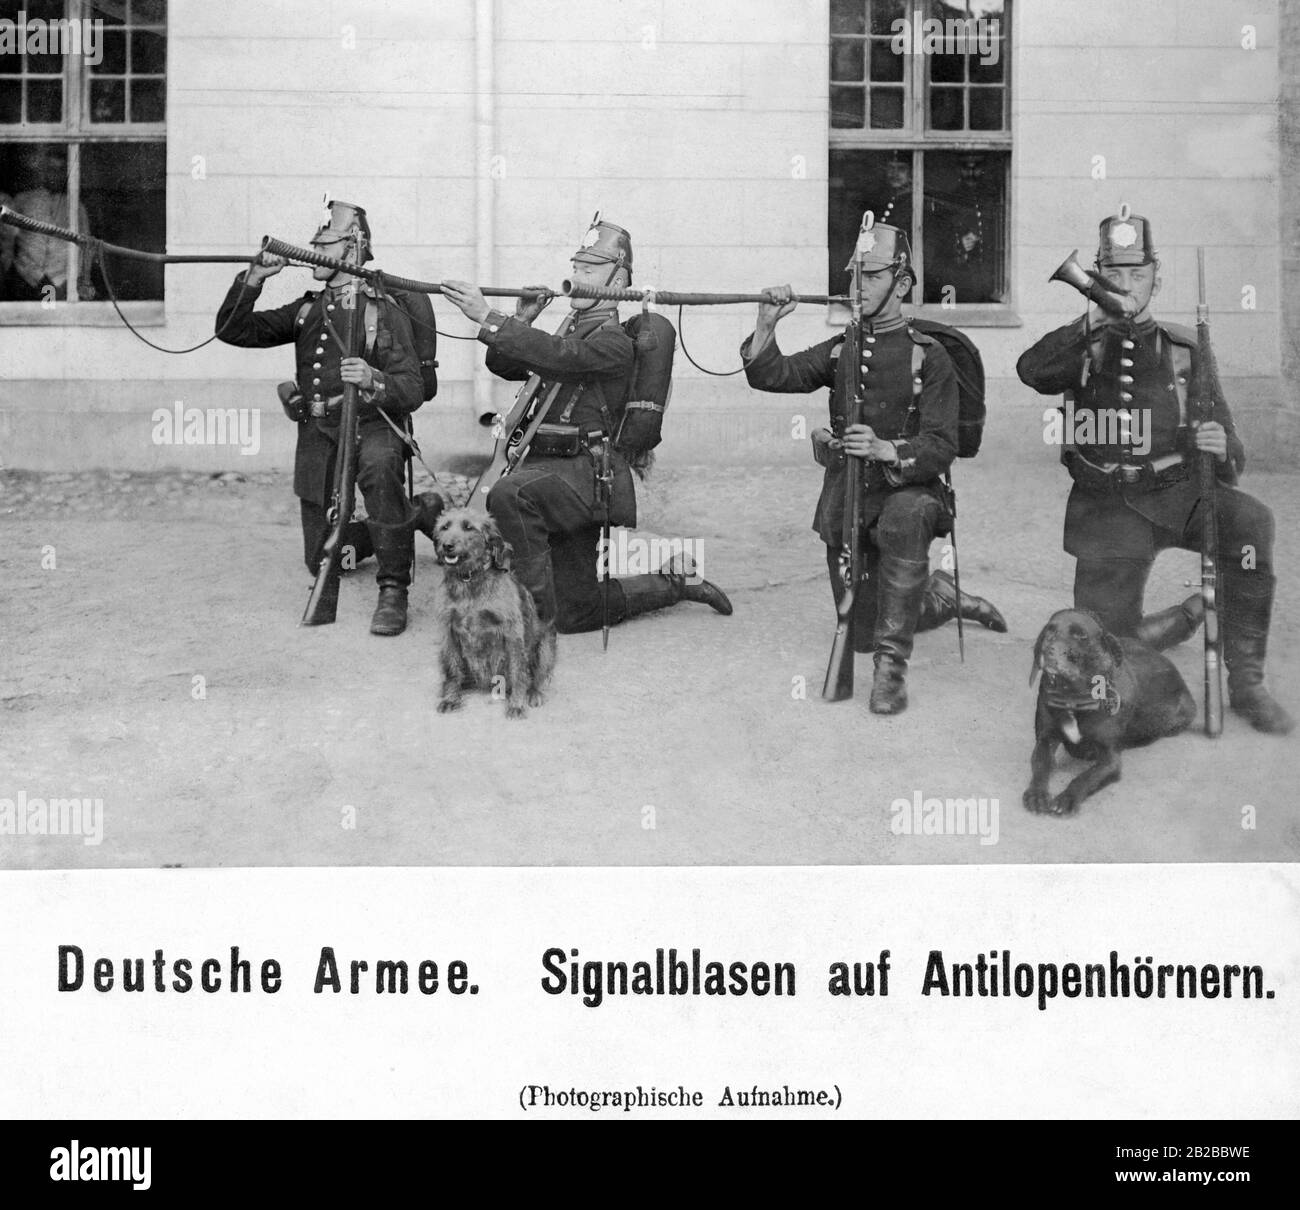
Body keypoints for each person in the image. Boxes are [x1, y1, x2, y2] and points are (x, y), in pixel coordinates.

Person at [1017, 209, 1291, 734]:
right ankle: (1182, 619)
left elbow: (1230, 442)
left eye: (1137, 276)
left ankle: (1248, 681)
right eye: (1113, 276)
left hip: (1180, 492)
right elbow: (1031, 371)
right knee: (1109, 657)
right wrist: (1089, 322)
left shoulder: (1185, 347)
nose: (1127, 287)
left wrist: (1221, 445)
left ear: (1155, 279)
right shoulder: (1084, 342)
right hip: (1108, 508)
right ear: (1096, 280)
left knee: (1252, 524)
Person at [742, 219, 1005, 714]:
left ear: (902, 284)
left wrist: (888, 449)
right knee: (861, 630)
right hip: (848, 495)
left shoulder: (929, 357)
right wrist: (766, 323)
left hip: (907, 491)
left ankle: (892, 669)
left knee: (905, 526)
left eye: (871, 276)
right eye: (853, 276)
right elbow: (773, 375)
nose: (855, 287)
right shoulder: (843, 346)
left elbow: (942, 444)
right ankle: (940, 598)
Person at [440, 217, 732, 634]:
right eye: (576, 268)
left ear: (617, 281)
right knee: (578, 614)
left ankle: (530, 620)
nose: (576, 277)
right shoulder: (571, 328)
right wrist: (519, 321)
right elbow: (505, 364)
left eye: (589, 271)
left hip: (585, 475)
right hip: (549, 473)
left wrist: (487, 317)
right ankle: (675, 582)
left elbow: (563, 358)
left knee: (509, 495)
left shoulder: (612, 340)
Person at [216, 199, 441, 637]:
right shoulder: (307, 310)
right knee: (320, 557)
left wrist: (374, 378)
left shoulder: (384, 309)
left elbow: (413, 389)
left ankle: (393, 589)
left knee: (379, 471)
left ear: (353, 249)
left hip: (374, 424)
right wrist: (255, 278)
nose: (312, 251)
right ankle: (413, 516)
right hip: (319, 430)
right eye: (314, 242)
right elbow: (232, 331)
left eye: (325, 243)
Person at [0, 145, 96, 301]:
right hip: (27, 277)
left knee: (52, 315)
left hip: (61, 280)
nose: (54, 176)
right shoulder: (24, 200)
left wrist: (77, 279)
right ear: (43, 172)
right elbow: (8, 238)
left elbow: (86, 246)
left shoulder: (76, 206)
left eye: (58, 171)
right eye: (50, 170)